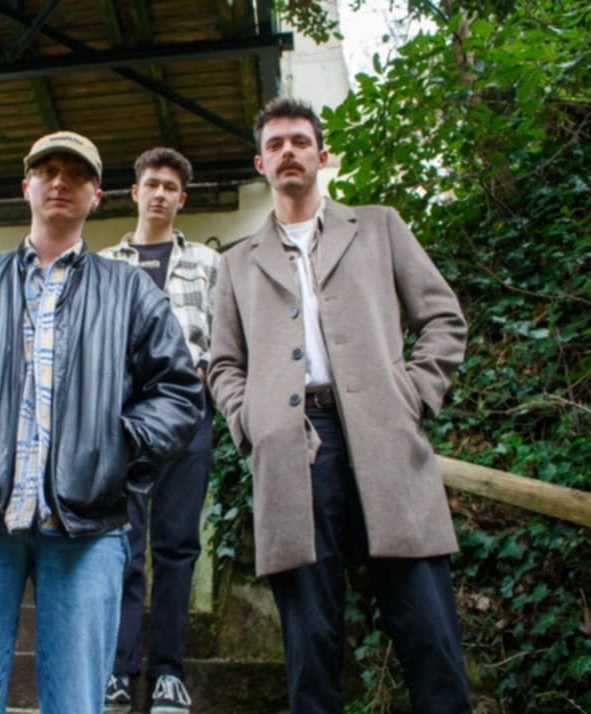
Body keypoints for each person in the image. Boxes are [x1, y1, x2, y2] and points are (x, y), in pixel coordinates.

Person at [0, 131, 204, 714]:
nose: (61, 181)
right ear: (25, 184)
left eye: (77, 173)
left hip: (87, 529)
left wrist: (121, 446)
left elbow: (179, 391)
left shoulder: (130, 289)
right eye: (48, 169)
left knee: (76, 704)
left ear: (97, 195)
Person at [208, 97, 472, 713]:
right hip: (291, 445)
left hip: (385, 430)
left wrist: (413, 394)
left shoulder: (379, 226)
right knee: (311, 637)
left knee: (427, 625)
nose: (288, 152)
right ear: (260, 163)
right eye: (275, 144)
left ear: (322, 155)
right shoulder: (236, 263)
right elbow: (223, 364)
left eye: (300, 141)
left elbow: (443, 319)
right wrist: (252, 422)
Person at [99, 148, 219, 714]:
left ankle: (168, 671)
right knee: (121, 542)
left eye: (171, 186)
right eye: (152, 184)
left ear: (181, 198)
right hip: (120, 416)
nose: (160, 194)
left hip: (188, 413)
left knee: (177, 544)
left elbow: (226, 335)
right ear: (135, 192)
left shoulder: (208, 263)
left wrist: (209, 373)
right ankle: (118, 669)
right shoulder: (104, 263)